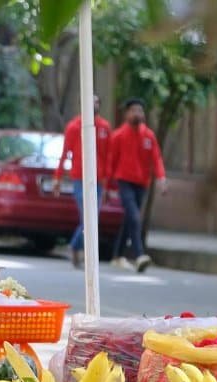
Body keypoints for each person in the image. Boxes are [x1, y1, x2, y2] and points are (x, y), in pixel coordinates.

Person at [107, 98, 167, 273]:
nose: (137, 114)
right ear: (127, 114)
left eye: (140, 111)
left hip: (142, 183)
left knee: (129, 219)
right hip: (124, 181)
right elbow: (111, 161)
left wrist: (161, 178)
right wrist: (108, 185)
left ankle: (117, 256)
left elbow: (156, 158)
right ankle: (139, 255)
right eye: (133, 110)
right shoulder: (118, 136)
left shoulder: (148, 136)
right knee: (134, 216)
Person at [53, 95, 112, 268]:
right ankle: (77, 248)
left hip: (98, 180)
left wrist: (107, 182)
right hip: (80, 178)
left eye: (96, 102)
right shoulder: (73, 127)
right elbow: (65, 153)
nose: (94, 105)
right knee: (88, 217)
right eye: (90, 101)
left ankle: (75, 246)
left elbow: (108, 156)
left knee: (93, 217)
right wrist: (57, 177)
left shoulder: (105, 127)